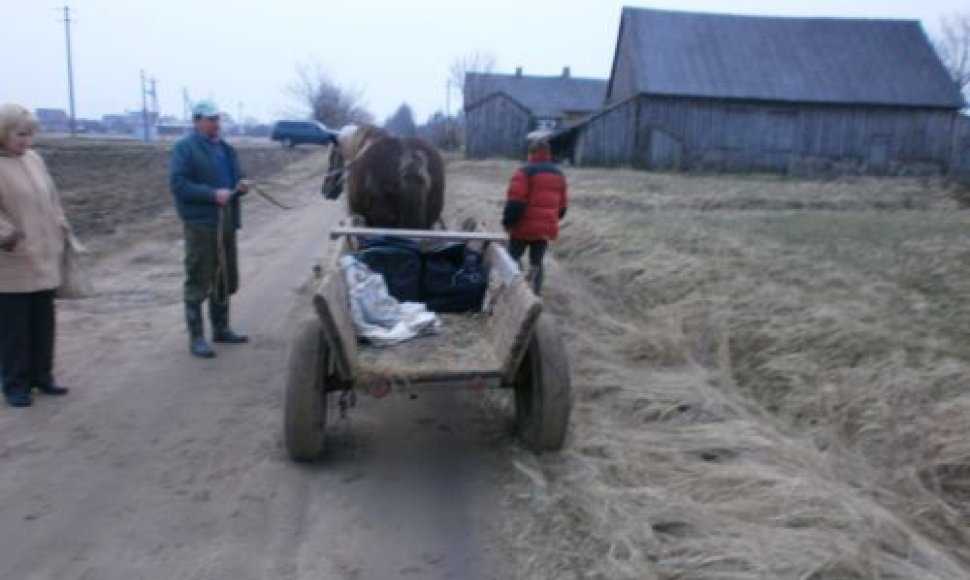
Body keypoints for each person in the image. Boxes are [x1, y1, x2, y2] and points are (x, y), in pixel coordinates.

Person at [0, 104, 72, 407]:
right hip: (13, 262)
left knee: (43, 323)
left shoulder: (34, 160)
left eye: (30, 135)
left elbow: (51, 199)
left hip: (44, 257)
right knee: (15, 330)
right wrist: (6, 235)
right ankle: (14, 384)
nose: (26, 141)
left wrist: (60, 225)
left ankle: (42, 376)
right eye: (20, 134)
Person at [169, 100, 250, 358]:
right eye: (209, 118)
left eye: (217, 118)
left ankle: (221, 328)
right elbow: (178, 184)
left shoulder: (226, 149)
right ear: (196, 121)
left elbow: (233, 179)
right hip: (201, 223)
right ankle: (196, 338)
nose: (215, 123)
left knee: (223, 275)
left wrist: (241, 185)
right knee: (199, 276)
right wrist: (212, 195)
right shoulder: (185, 148)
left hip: (225, 221)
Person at [501, 136, 568, 295]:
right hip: (544, 230)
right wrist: (549, 220)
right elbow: (562, 208)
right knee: (537, 262)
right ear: (548, 153)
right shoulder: (559, 174)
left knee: (512, 259)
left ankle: (513, 293)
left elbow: (515, 203)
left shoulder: (524, 172)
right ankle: (535, 295)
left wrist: (507, 222)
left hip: (522, 228)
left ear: (531, 152)